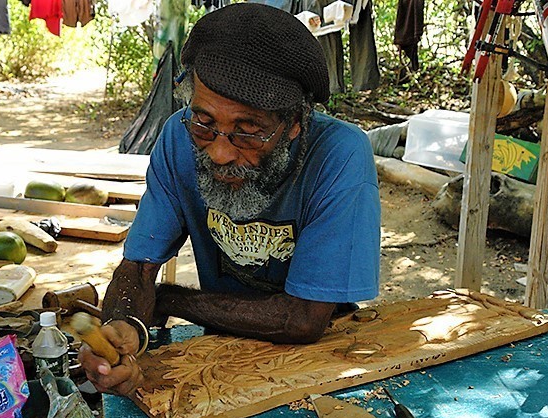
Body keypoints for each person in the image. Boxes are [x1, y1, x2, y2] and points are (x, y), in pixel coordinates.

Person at [79, 3, 381, 396]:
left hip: (322, 356)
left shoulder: (339, 155)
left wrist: (169, 300)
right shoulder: (178, 137)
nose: (220, 153)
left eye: (248, 131)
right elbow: (137, 269)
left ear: (294, 124)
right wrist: (123, 329)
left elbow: (304, 320)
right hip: (218, 351)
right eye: (205, 122)